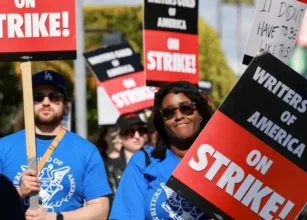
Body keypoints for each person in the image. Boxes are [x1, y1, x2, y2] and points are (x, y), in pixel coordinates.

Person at [0, 70, 112, 220]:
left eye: (54, 97)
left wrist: (52, 217)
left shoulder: (86, 150)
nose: (46, 102)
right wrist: (18, 191)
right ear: (28, 102)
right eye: (38, 97)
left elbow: (101, 210)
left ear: (65, 104)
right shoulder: (4, 147)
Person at [110, 81, 214, 219]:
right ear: (162, 121)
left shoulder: (223, 161)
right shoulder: (143, 162)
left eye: (186, 108)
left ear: (200, 111)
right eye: (168, 112)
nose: (178, 116)